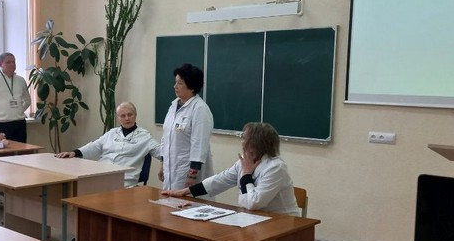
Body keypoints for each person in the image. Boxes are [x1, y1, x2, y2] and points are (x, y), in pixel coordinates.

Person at [162, 122, 300, 216]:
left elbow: (254, 202)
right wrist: (186, 191)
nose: (241, 142)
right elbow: (220, 180)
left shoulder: (276, 167)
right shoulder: (244, 162)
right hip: (257, 218)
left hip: (283, 223)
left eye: (243, 138)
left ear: (254, 144)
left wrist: (246, 176)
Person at [55, 101, 161, 187]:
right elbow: (95, 146)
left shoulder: (145, 136)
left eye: (130, 115)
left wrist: (163, 166)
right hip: (101, 174)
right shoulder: (112, 133)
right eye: (123, 116)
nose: (127, 118)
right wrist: (74, 153)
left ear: (135, 115)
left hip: (124, 180)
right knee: (78, 186)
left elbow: (162, 152)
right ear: (118, 118)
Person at [159, 63, 214, 190]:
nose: (175, 86)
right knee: (170, 199)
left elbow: (199, 143)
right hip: (170, 168)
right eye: (175, 82)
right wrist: (163, 163)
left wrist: (193, 173)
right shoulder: (173, 106)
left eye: (180, 83)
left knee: (187, 201)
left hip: (188, 171)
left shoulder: (200, 109)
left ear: (191, 86)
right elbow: (165, 137)